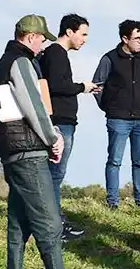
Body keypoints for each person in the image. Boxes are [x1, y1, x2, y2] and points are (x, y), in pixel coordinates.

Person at [0, 16, 66, 269]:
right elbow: (33, 105)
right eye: (42, 39)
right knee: (49, 222)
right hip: (28, 152)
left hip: (11, 151)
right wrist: (52, 138)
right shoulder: (21, 62)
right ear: (31, 36)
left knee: (19, 220)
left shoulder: (4, 61)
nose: (44, 45)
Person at [38, 13, 96, 238]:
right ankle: (55, 224)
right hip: (60, 122)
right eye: (83, 34)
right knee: (55, 173)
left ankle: (53, 221)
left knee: (54, 173)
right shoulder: (56, 53)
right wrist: (83, 86)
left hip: (63, 120)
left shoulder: (55, 54)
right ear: (69, 32)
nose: (84, 39)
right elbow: (58, 85)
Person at [93, 19, 140, 209]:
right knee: (115, 161)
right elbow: (98, 86)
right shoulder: (109, 59)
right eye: (137, 38)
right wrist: (109, 107)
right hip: (118, 118)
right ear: (125, 38)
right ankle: (113, 202)